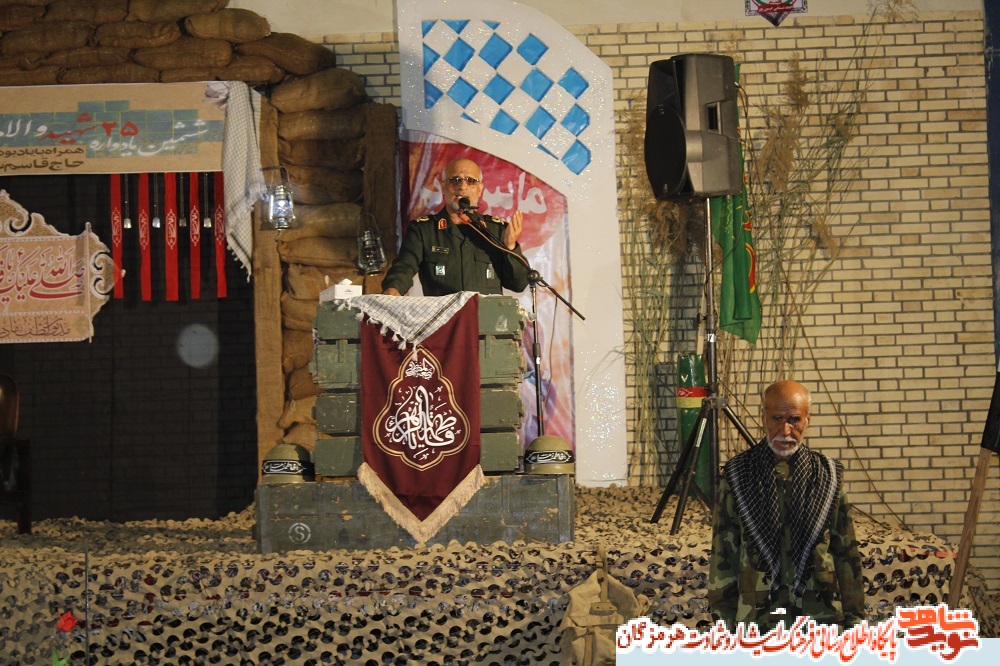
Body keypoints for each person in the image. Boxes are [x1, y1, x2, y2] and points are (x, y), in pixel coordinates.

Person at [707, 380, 865, 632]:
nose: (785, 429)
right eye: (777, 418)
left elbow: (846, 554)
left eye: (794, 419)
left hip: (819, 619)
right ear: (764, 418)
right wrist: (725, 629)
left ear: (807, 420)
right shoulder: (737, 476)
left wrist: (854, 622)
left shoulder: (827, 477)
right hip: (757, 622)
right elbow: (724, 558)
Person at [382, 158, 531, 296]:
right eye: (455, 180)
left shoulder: (496, 231)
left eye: (470, 181)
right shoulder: (423, 230)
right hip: (444, 315)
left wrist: (510, 247)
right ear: (443, 188)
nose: (462, 187)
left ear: (480, 189)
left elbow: (518, 284)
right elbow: (404, 268)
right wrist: (393, 290)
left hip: (487, 315)